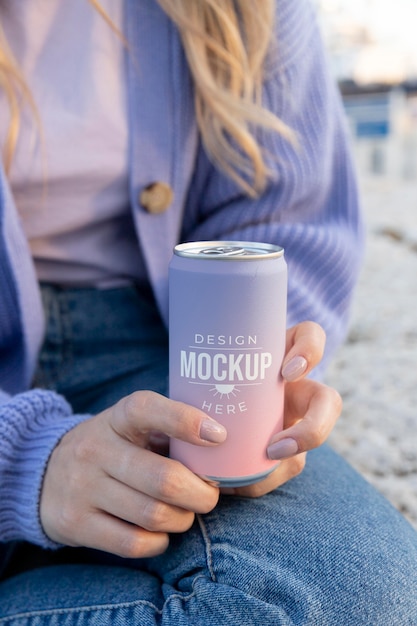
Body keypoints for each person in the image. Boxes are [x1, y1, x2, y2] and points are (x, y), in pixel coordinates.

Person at [0, 0, 416, 624]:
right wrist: (23, 463)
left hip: (162, 345)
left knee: (357, 591)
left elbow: (288, 214)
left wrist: (265, 369)